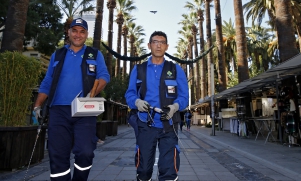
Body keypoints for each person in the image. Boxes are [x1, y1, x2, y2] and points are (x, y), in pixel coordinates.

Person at [32, 18, 110, 181]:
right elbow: (47, 81)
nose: (78, 34)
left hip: (84, 110)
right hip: (58, 111)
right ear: (68, 33)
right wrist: (37, 106)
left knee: (85, 151)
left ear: (86, 34)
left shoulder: (94, 54)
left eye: (82, 31)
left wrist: (91, 94)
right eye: (74, 30)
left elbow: (104, 76)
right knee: (57, 155)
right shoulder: (58, 54)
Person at [125, 31, 189, 181]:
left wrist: (174, 107)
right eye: (155, 42)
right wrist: (137, 102)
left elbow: (184, 97)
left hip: (169, 125)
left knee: (169, 170)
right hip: (145, 125)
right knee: (144, 169)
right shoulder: (139, 69)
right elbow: (129, 94)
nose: (158, 45)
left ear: (167, 46)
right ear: (149, 45)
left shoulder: (175, 69)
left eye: (162, 42)